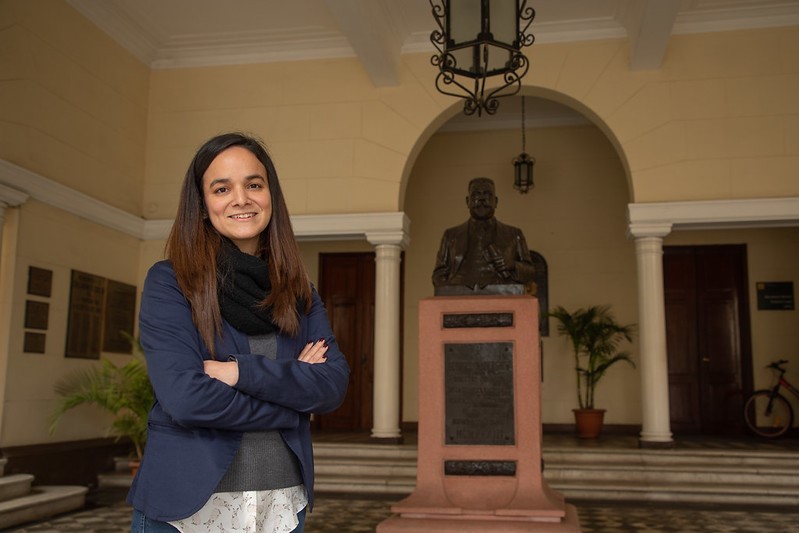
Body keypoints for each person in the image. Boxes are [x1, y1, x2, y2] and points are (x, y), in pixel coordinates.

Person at [127, 132, 350, 532]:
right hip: (186, 508)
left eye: (254, 184)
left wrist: (239, 374)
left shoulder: (298, 291)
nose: (241, 199)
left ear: (270, 196)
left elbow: (331, 386)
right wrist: (289, 403)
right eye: (222, 188)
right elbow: (186, 399)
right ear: (203, 204)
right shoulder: (170, 283)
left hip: (281, 505)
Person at [432, 177, 535, 292]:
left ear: (496, 201)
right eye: (476, 194)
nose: (481, 198)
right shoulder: (451, 235)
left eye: (487, 194)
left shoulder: (514, 234)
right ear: (467, 201)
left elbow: (530, 272)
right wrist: (449, 291)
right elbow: (439, 274)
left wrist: (511, 264)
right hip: (460, 293)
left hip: (501, 291)